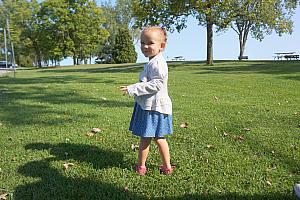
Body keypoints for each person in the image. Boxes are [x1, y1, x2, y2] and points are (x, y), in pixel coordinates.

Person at [120, 26, 173, 175]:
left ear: (161, 46)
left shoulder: (158, 63)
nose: (145, 46)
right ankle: (161, 166)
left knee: (150, 137)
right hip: (151, 106)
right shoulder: (153, 61)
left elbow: (156, 84)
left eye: (150, 43)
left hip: (154, 107)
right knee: (155, 137)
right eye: (142, 42)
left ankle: (146, 166)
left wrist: (134, 88)